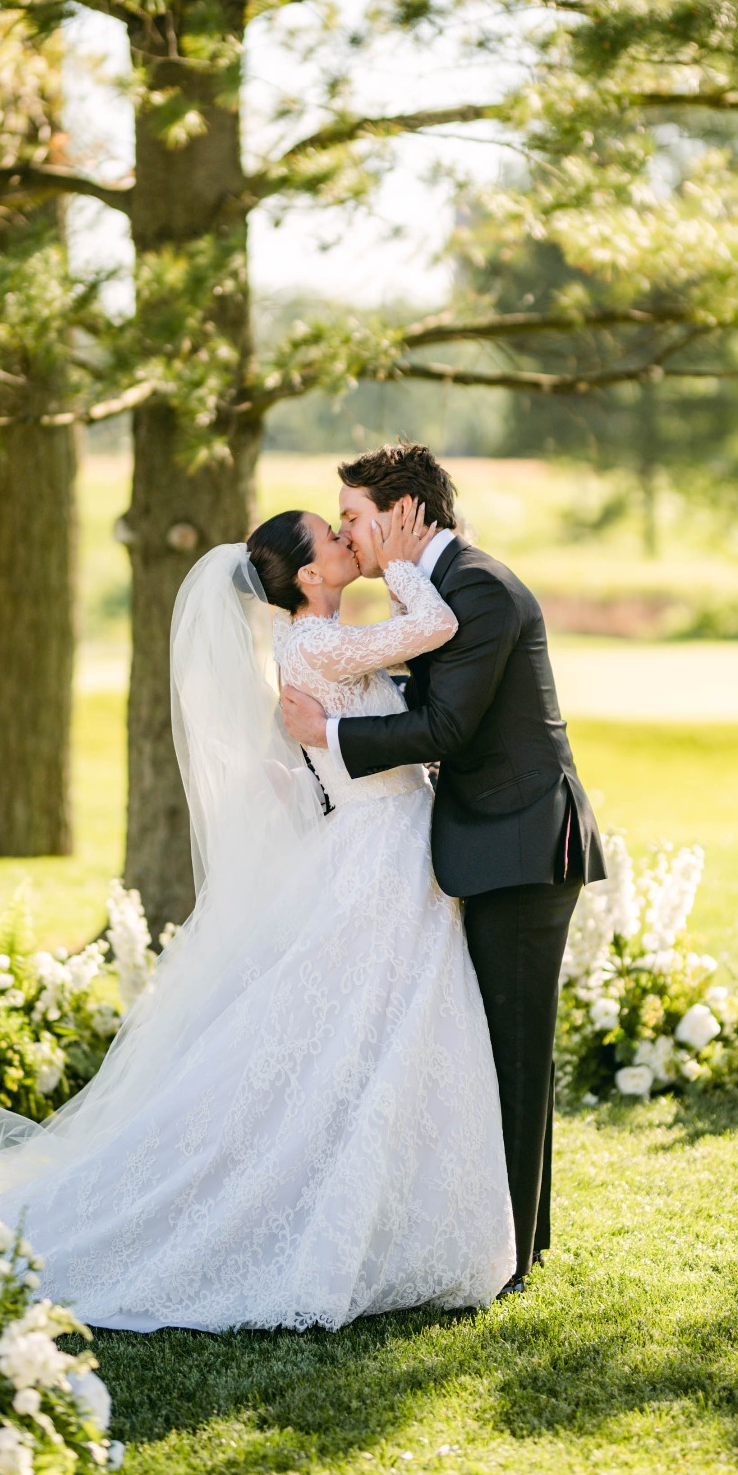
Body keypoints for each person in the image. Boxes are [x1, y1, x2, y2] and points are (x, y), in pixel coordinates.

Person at [0, 498, 515, 1332]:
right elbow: (432, 626)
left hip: (386, 848)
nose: (346, 534)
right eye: (334, 535)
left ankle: (398, 1212)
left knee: (395, 1030)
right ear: (311, 574)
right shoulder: (316, 637)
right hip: (377, 852)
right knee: (376, 1026)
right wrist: (405, 558)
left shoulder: (311, 641)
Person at [282, 442, 606, 1289]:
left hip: (522, 845)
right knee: (490, 1049)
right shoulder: (437, 586)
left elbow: (447, 728)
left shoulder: (480, 589)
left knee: (517, 1051)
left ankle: (516, 1254)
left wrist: (333, 736)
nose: (348, 533)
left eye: (354, 516)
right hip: (483, 842)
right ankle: (506, 1238)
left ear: (400, 512)